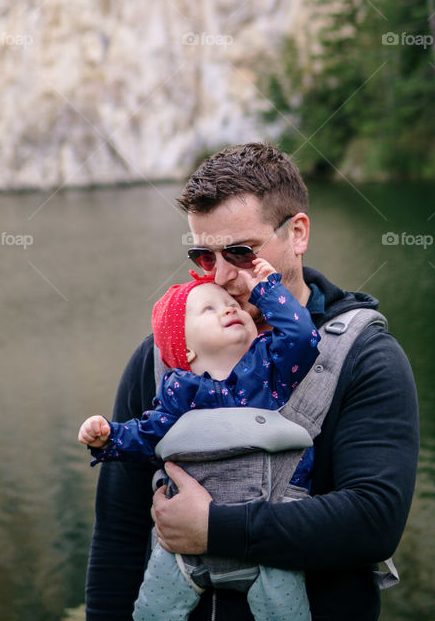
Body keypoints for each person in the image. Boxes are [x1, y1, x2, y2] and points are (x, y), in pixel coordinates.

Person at [84, 144, 420, 621]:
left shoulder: (366, 356)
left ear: (297, 233)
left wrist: (215, 528)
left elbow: (373, 521)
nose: (220, 275)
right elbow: (118, 529)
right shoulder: (162, 358)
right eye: (203, 254)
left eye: (241, 252)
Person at [78, 261, 321, 621]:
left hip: (269, 540)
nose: (230, 308)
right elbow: (147, 435)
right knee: (153, 608)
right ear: (185, 349)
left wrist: (267, 289)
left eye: (235, 305)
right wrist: (107, 438)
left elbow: (302, 336)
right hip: (184, 555)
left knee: (288, 612)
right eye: (209, 308)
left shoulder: (270, 370)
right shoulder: (178, 392)